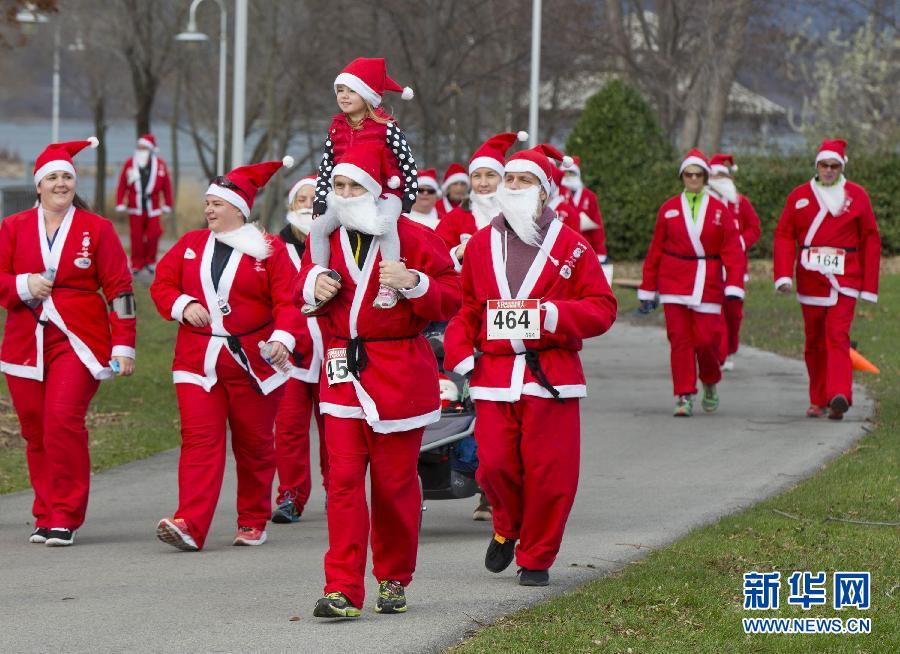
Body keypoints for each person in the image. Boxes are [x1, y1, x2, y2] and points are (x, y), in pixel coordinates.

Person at [296, 142, 461, 617]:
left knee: (393, 485)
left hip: (397, 372)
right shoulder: (322, 237)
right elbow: (299, 283)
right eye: (339, 186)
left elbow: (451, 295)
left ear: (377, 190)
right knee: (343, 481)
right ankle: (343, 588)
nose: (345, 194)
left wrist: (415, 284)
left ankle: (393, 575)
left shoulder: (412, 235)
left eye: (355, 186)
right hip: (341, 370)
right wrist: (311, 286)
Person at [443, 145, 617, 587]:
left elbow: (602, 308)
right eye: (510, 180)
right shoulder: (482, 244)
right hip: (495, 376)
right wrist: (460, 352)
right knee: (494, 466)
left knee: (549, 473)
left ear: (544, 191)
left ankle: (536, 555)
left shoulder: (573, 246)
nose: (513, 187)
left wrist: (555, 315)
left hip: (551, 376)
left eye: (524, 181)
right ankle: (506, 524)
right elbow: (468, 309)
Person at [150, 156, 303, 551]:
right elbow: (161, 284)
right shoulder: (189, 245)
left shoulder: (269, 250)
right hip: (196, 362)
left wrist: (282, 340)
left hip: (254, 363)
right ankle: (190, 524)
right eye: (206, 203)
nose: (208, 210)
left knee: (254, 445)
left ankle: (252, 519)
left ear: (238, 208)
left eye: (216, 204)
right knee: (199, 441)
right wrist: (182, 304)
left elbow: (289, 302)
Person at [0, 137, 136, 547]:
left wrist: (123, 345)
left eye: (67, 177)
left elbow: (121, 291)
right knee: (35, 430)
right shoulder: (13, 227)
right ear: (38, 185)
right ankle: (44, 512)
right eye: (53, 177)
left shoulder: (99, 229)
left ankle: (66, 514)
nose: (61, 184)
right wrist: (24, 284)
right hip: (25, 342)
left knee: (62, 421)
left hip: (79, 341)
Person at [773, 138, 880, 420]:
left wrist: (869, 286)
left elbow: (870, 238)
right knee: (814, 341)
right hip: (811, 280)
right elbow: (784, 235)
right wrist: (783, 274)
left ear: (841, 167)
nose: (829, 170)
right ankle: (818, 398)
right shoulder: (799, 196)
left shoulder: (856, 196)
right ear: (817, 166)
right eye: (824, 165)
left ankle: (839, 396)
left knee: (837, 334)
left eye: (834, 166)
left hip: (846, 278)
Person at [637, 149, 745, 417]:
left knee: (706, 341)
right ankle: (684, 394)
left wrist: (733, 284)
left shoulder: (720, 210)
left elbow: (733, 250)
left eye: (698, 174)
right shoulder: (669, 209)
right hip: (673, 279)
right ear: (682, 176)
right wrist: (648, 287)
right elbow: (655, 251)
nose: (694, 178)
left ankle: (709, 379)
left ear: (706, 177)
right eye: (689, 174)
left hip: (707, 280)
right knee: (679, 340)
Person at [308, 57, 417, 311]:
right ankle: (321, 280)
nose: (344, 96)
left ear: (367, 94)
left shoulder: (386, 127)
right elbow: (327, 166)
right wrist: (321, 199)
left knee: (386, 226)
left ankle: (390, 286)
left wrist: (408, 197)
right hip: (346, 194)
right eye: (340, 90)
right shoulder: (335, 128)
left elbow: (407, 163)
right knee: (317, 229)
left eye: (352, 90)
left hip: (385, 192)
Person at [271, 175, 329, 523]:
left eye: (313, 198)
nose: (307, 205)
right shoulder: (275, 248)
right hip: (289, 356)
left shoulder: (337, 243)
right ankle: (291, 495)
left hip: (331, 350)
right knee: (289, 428)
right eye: (300, 199)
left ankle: (338, 491)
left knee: (334, 428)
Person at [436, 131, 528, 270]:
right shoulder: (455, 219)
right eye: (477, 176)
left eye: (490, 175)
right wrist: (457, 253)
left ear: (503, 178)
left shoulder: (518, 214)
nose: (483, 183)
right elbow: (437, 258)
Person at [707, 153, 761, 371]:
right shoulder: (705, 201)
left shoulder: (740, 202)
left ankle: (730, 349)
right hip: (710, 264)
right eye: (713, 175)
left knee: (733, 312)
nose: (717, 179)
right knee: (714, 310)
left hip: (735, 266)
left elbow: (754, 228)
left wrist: (740, 242)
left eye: (721, 175)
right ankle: (718, 352)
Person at [115, 134, 173, 275]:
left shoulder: (159, 165)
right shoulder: (130, 163)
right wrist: (120, 201)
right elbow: (122, 183)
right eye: (139, 147)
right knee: (136, 236)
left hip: (153, 206)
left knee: (154, 234)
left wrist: (168, 203)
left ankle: (151, 261)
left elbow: (166, 185)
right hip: (136, 206)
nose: (140, 150)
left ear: (150, 149)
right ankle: (137, 263)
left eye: (143, 147)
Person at [560, 156, 608, 263]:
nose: (568, 176)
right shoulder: (557, 195)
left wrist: (600, 251)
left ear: (577, 175)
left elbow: (597, 225)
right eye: (565, 173)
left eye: (571, 172)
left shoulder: (589, 196)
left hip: (585, 246)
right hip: (563, 248)